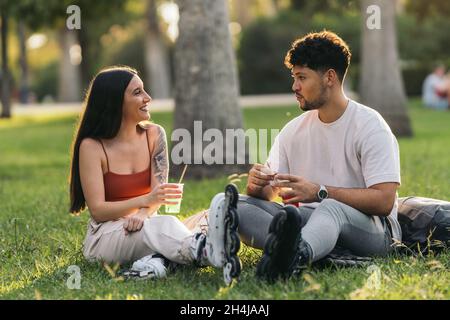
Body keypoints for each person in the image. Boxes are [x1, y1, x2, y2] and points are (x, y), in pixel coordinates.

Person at [232, 31, 402, 282]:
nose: (295, 87)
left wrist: (320, 191)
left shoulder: (370, 125)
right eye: (294, 77)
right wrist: (258, 186)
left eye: (302, 77)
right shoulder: (293, 131)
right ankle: (297, 248)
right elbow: (272, 194)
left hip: (375, 231)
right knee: (235, 204)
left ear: (330, 77)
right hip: (312, 223)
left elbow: (384, 201)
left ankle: (294, 257)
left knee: (331, 208)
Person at [69, 66, 241, 284]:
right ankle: (204, 251)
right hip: (106, 235)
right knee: (163, 226)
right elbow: (99, 211)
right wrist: (144, 202)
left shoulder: (154, 134)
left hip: (146, 224)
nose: (147, 98)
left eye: (144, 90)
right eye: (137, 92)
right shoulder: (92, 146)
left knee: (207, 216)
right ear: (115, 102)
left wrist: (142, 213)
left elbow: (157, 196)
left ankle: (157, 262)